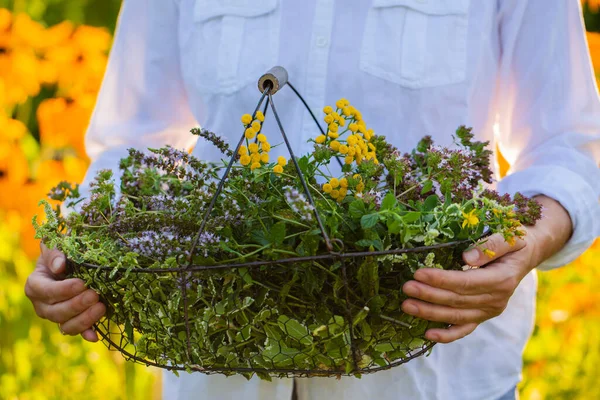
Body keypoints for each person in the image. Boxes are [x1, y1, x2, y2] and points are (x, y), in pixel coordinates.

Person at [25, 1, 600, 399]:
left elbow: (570, 147)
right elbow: (134, 145)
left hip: (436, 376)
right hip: (223, 373)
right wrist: (76, 250)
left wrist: (520, 246)